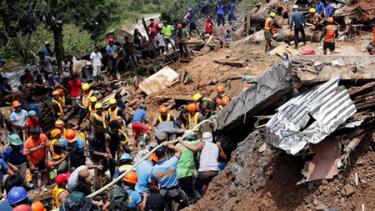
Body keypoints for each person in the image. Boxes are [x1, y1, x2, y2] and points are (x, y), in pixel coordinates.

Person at [184, 132, 226, 196]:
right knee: (206, 182)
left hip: (204, 172)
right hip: (215, 172)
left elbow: (194, 149)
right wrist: (219, 147)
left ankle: (200, 199)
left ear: (203, 139)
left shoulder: (203, 143)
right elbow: (224, 157)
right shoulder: (216, 145)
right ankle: (206, 196)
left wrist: (182, 142)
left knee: (196, 188)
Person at [149, 145, 188, 211]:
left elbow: (152, 185)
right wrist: (169, 145)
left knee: (167, 208)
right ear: (165, 153)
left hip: (163, 192)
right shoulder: (172, 162)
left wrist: (160, 190)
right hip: (175, 190)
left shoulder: (153, 169)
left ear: (156, 155)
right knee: (185, 201)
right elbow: (179, 150)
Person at [176, 131, 201, 202]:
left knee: (184, 191)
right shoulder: (192, 143)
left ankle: (187, 202)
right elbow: (203, 140)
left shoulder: (177, 145)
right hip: (187, 172)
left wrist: (181, 141)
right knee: (192, 191)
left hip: (179, 173)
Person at [23, 127, 48, 192]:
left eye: (39, 134)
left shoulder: (43, 136)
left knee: (43, 172)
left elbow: (46, 147)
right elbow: (27, 155)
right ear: (32, 134)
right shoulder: (27, 142)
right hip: (33, 161)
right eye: (37, 135)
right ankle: (36, 188)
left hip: (42, 158)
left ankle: (43, 186)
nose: (38, 136)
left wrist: (46, 158)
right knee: (35, 174)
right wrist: (31, 164)